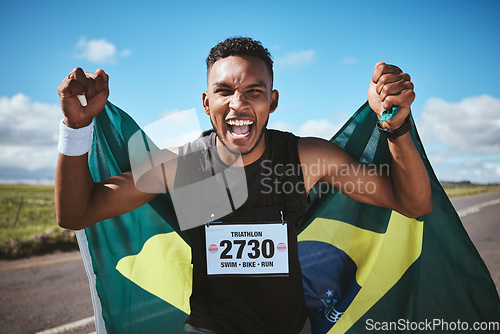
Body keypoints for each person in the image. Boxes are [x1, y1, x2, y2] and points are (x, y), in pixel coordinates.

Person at [55, 37, 432, 334]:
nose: (238, 103)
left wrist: (395, 128)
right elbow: (76, 213)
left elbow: (412, 203)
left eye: (254, 91)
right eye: (224, 91)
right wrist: (76, 129)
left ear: (273, 100)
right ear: (206, 102)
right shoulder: (182, 166)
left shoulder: (308, 158)